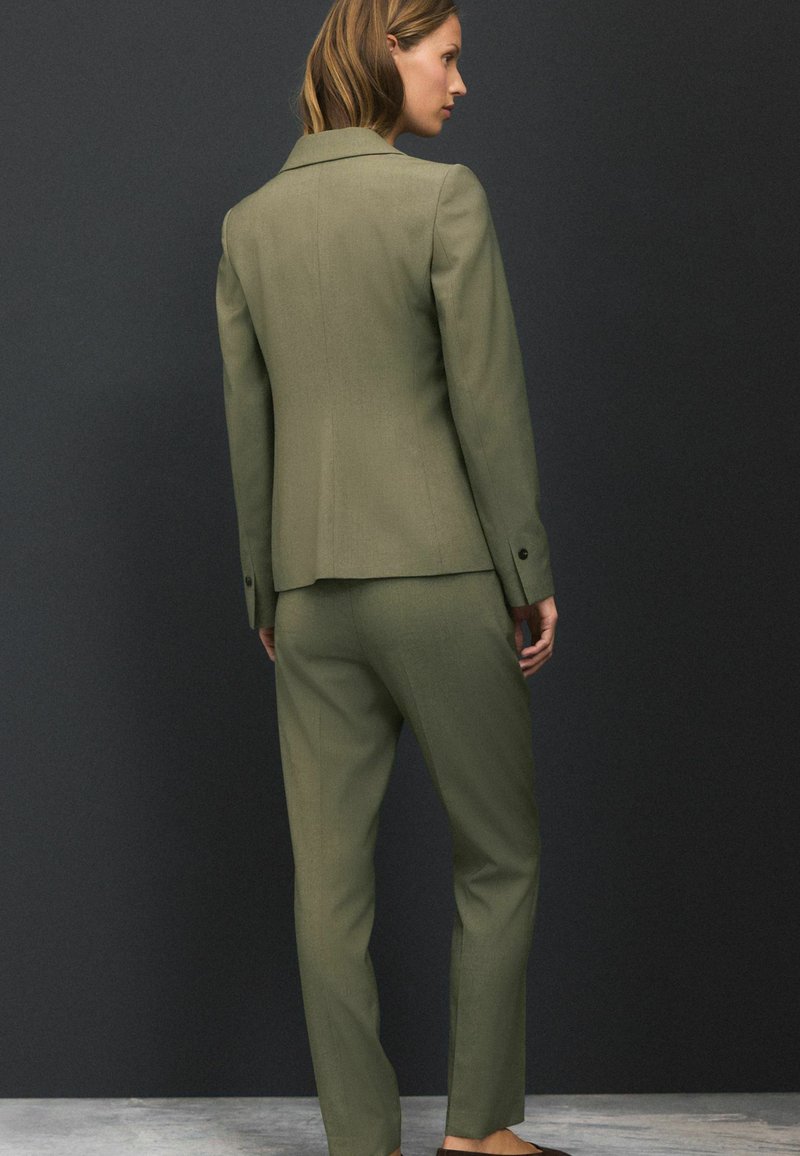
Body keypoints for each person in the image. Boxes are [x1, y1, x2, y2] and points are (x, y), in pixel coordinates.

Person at [215, 3, 568, 1155]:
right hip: (440, 573)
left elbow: (250, 430)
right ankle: (476, 1133)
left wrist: (266, 591)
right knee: (498, 853)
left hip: (308, 592)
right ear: (387, 49)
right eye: (446, 57)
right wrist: (525, 571)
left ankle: (359, 1142)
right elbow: (487, 409)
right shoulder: (442, 199)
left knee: (327, 884)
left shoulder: (249, 224)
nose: (459, 84)